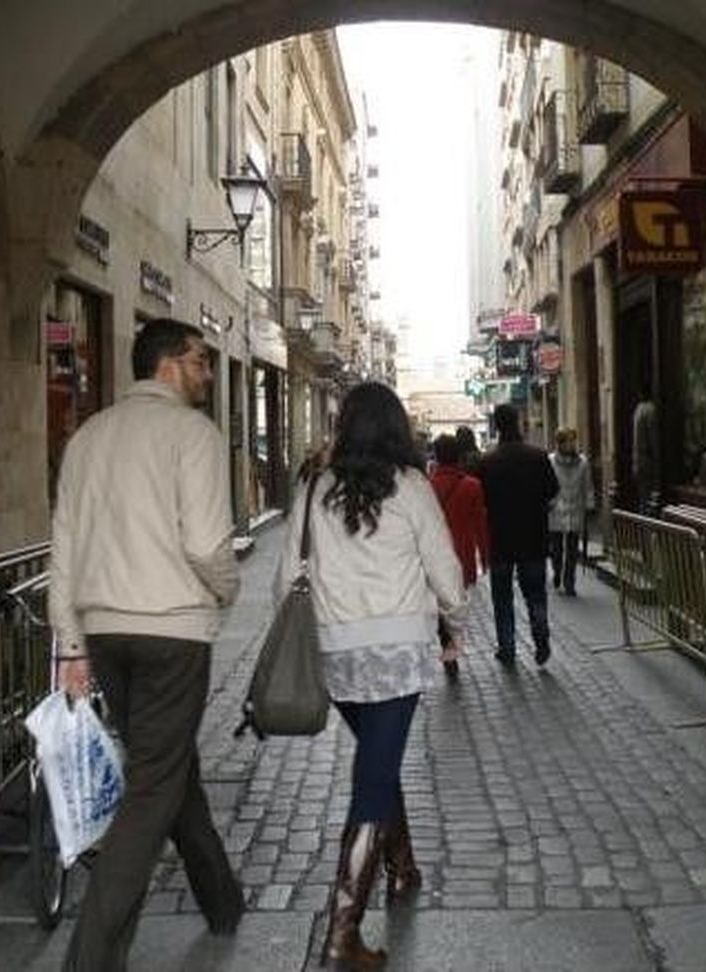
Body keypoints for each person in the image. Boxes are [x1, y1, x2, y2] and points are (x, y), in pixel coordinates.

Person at [49, 318, 246, 971]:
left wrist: (71, 645)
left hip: (107, 632)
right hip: (173, 631)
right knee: (151, 789)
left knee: (167, 765)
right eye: (200, 360)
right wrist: (226, 589)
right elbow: (207, 545)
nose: (209, 373)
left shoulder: (88, 436)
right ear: (168, 363)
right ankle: (91, 958)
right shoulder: (193, 434)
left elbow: (66, 549)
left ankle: (221, 899)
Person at [274, 382, 463, 970]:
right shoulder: (411, 488)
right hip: (399, 652)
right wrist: (455, 622)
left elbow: (284, 581)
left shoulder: (312, 488)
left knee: (377, 761)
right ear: (396, 428)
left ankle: (401, 865)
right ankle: (342, 933)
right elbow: (446, 572)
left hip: (336, 653)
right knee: (374, 777)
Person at [478, 404, 558, 667]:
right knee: (535, 593)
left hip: (500, 539)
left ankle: (507, 646)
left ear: (497, 427)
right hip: (533, 537)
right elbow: (552, 490)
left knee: (502, 598)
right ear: (519, 422)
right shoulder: (538, 457)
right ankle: (541, 636)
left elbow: (483, 501)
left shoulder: (488, 462)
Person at [428, 433, 489, 678]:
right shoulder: (472, 486)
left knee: (441, 605)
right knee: (454, 604)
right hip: (461, 555)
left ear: (436, 456)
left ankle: (448, 645)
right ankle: (451, 646)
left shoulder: (426, 486)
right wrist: (485, 556)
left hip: (434, 557)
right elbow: (480, 525)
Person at [548, 428, 595, 596]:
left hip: (575, 508)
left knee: (573, 549)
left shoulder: (582, 462)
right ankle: (557, 571)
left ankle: (569, 582)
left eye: (573, 441)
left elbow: (588, 485)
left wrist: (589, 504)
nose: (572, 444)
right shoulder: (550, 461)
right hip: (556, 510)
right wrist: (548, 502)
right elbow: (547, 485)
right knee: (556, 549)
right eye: (568, 441)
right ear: (560, 443)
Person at [632, 391, 660, 515]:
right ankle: (648, 530)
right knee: (649, 499)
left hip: (639, 460)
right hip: (648, 461)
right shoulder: (650, 409)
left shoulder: (638, 409)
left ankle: (644, 529)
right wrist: (657, 456)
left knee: (643, 499)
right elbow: (653, 437)